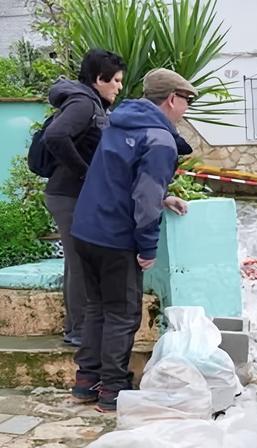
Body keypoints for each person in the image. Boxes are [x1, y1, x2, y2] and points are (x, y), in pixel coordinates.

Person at [69, 68, 196, 412]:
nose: (186, 108)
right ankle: (112, 389)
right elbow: (143, 196)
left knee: (96, 307)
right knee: (122, 314)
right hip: (115, 236)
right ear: (172, 99)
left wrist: (162, 198)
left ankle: (87, 380)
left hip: (85, 229)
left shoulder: (119, 120)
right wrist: (147, 247)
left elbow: (122, 176)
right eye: (186, 100)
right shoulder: (159, 139)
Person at [41, 49, 126, 347]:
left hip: (72, 194)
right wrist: (86, 174)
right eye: (114, 80)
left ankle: (78, 327)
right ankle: (77, 330)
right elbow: (55, 137)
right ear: (98, 79)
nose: (118, 86)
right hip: (68, 195)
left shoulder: (93, 104)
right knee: (78, 262)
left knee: (79, 262)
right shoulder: (83, 103)